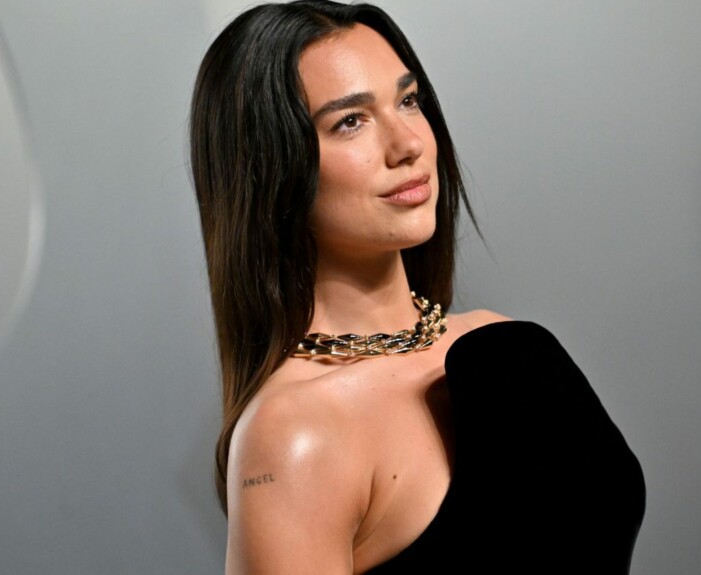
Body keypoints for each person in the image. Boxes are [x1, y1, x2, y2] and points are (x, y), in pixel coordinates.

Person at [190, 1, 645, 573]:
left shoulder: (511, 350)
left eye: (408, 101)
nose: (408, 143)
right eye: (350, 121)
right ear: (268, 168)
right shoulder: (296, 435)